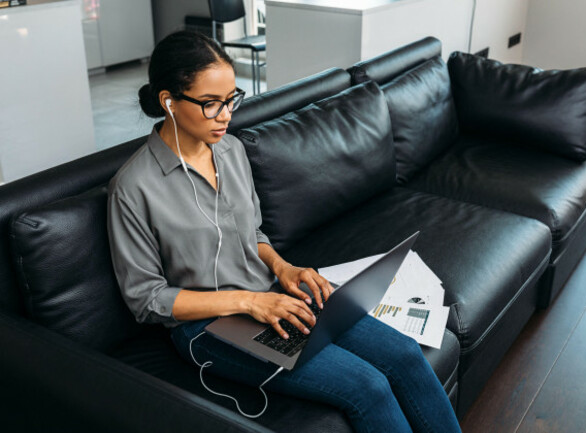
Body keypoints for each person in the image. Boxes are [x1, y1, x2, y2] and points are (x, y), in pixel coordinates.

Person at [107, 30, 462, 433]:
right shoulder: (134, 187)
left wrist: (283, 268)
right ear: (168, 102)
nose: (226, 115)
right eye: (210, 104)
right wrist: (249, 303)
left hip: (273, 296)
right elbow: (146, 299)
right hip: (206, 328)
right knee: (368, 386)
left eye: (230, 100)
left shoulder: (231, 150)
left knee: (403, 354)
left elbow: (252, 234)